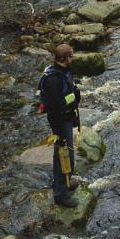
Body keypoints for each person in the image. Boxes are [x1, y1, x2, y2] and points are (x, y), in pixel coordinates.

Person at [39, 44, 81, 208]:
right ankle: (60, 194)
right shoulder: (54, 80)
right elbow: (54, 109)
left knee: (68, 154)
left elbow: (68, 98)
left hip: (67, 118)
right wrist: (59, 135)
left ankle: (66, 181)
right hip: (59, 122)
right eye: (72, 55)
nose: (73, 58)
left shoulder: (63, 72)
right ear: (65, 58)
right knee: (62, 155)